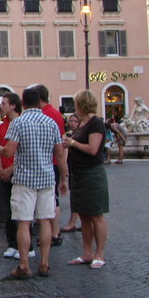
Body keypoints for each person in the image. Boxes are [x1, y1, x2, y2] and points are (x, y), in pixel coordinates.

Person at [0, 88, 67, 279]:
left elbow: (8, 151)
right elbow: (59, 153)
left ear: (22, 103)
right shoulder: (51, 122)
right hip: (47, 177)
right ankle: (44, 263)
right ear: (39, 102)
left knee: (23, 221)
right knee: (45, 220)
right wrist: (64, 178)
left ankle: (24, 265)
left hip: (24, 179)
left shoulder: (19, 122)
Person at [62, 90, 109, 269]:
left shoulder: (96, 123)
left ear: (82, 104)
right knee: (83, 215)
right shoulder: (82, 123)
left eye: (76, 103)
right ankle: (87, 252)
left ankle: (99, 254)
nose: (75, 106)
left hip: (92, 173)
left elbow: (93, 149)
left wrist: (72, 143)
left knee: (96, 215)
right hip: (79, 174)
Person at [0, 93, 34, 260]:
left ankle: (28, 246)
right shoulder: (2, 126)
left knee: (22, 211)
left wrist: (10, 169)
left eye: (3, 103)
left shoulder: (22, 124)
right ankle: (12, 243)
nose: (0, 106)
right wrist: (1, 169)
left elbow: (26, 152)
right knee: (7, 211)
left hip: (19, 172)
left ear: (13, 105)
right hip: (3, 171)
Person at [35, 84, 66, 247]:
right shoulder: (56, 113)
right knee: (53, 198)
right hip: (53, 160)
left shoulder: (45, 114)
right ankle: (55, 232)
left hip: (48, 161)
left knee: (50, 199)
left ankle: (53, 232)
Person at [60, 113, 82, 234]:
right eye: (71, 121)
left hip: (78, 168)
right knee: (76, 195)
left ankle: (73, 223)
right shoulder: (70, 135)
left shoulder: (78, 136)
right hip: (73, 166)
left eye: (75, 121)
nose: (72, 123)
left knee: (77, 196)